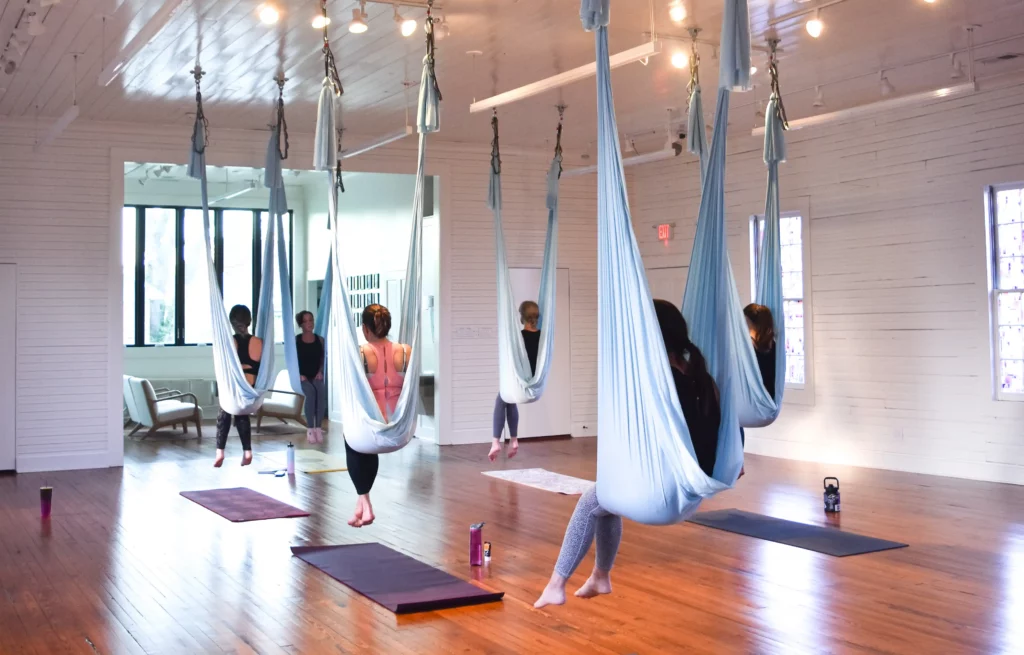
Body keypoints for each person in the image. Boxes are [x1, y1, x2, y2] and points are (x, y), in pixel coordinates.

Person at [534, 299, 721, 608]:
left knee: (591, 500)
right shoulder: (702, 377)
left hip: (666, 493)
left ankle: (557, 583)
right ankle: (600, 576)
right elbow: (721, 430)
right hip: (693, 492)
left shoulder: (664, 384)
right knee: (608, 499)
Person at [347, 303, 412, 528]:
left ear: (365, 329)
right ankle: (361, 505)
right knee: (367, 442)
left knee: (353, 438)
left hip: (374, 425)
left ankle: (365, 501)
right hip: (398, 426)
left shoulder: (361, 353)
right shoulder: (405, 351)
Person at [489, 300, 541, 462]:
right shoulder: (542, 336)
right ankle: (514, 440)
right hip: (533, 378)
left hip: (521, 379)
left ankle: (496, 441)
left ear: (522, 317)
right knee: (509, 400)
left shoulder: (519, 337)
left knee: (502, 399)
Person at [214, 305, 263, 468]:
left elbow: (227, 366)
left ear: (232, 323)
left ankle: (219, 451)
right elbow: (261, 366)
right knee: (241, 412)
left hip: (235, 386)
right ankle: (247, 450)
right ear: (249, 321)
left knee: (225, 410)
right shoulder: (258, 342)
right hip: (251, 387)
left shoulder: (230, 342)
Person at [296, 310, 326, 445]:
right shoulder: (296, 340)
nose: (309, 323)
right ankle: (310, 428)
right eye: (306, 321)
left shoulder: (320, 340)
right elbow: (292, 361)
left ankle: (318, 428)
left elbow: (322, 359)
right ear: (301, 324)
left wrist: (320, 372)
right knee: (311, 393)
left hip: (315, 374)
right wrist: (299, 374)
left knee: (321, 391)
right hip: (301, 376)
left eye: (311, 320)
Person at [743, 303, 777, 399]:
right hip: (763, 397)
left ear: (755, 325)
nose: (743, 325)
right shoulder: (771, 344)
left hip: (762, 397)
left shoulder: (770, 346)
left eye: (746, 321)